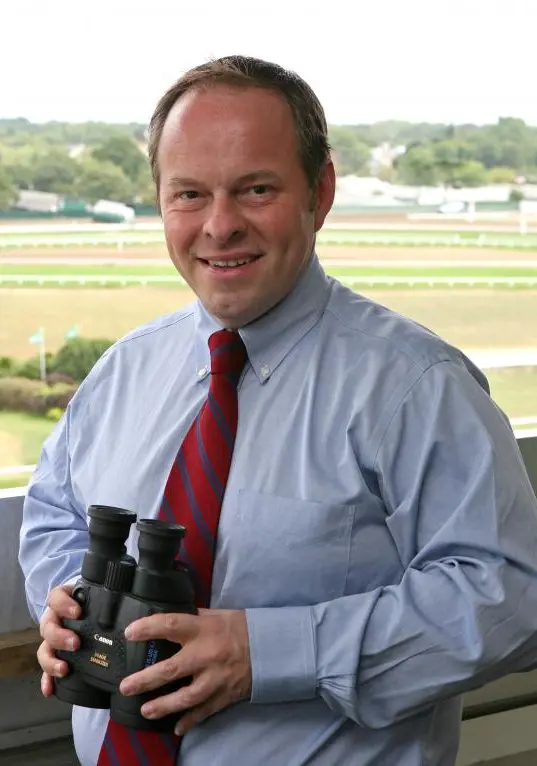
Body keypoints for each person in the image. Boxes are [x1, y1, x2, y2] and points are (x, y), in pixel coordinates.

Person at [19, 55, 537, 766]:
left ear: (319, 192)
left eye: (254, 189)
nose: (219, 226)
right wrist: (72, 597)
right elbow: (55, 512)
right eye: (189, 194)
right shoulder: (125, 371)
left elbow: (508, 597)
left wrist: (268, 654)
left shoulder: (417, 386)